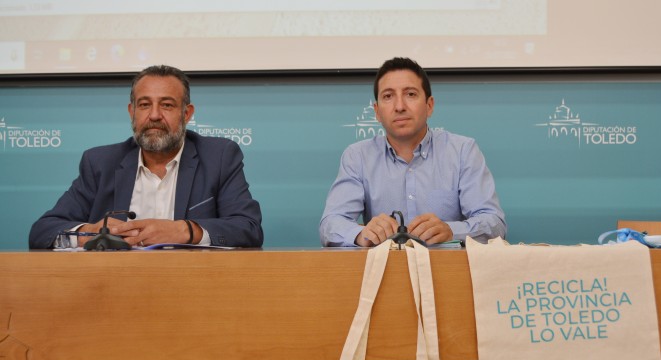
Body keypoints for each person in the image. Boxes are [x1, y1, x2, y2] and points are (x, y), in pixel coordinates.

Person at [29, 65, 263, 249]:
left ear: (187, 113)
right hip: (115, 287)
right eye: (144, 105)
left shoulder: (219, 157)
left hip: (193, 285)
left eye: (167, 105)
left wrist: (185, 231)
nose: (154, 115)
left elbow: (248, 228)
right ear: (132, 112)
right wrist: (89, 233)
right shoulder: (100, 162)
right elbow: (42, 231)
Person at [319, 57, 505, 247]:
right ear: (376, 111)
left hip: (447, 271)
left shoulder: (462, 151)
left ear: (429, 105)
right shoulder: (358, 156)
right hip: (383, 272)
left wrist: (452, 231)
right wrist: (360, 234)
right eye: (388, 96)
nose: (399, 107)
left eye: (410, 94)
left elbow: (494, 223)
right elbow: (330, 224)